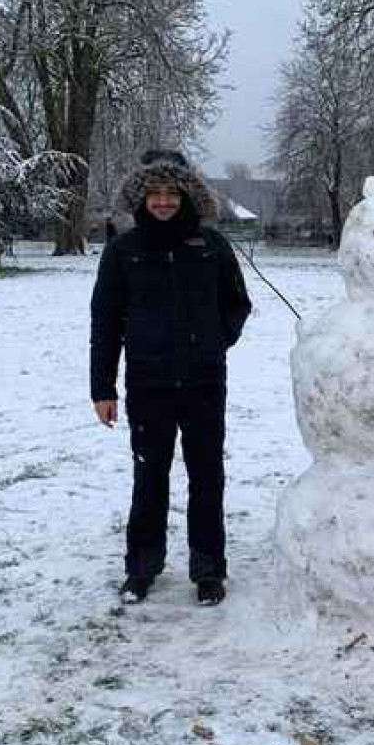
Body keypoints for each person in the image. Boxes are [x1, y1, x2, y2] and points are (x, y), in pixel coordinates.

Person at [90, 149, 252, 606]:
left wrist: (213, 342)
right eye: (154, 193)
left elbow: (237, 304)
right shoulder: (124, 250)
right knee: (150, 476)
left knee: (207, 476)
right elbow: (104, 321)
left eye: (171, 193)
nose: (162, 201)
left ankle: (208, 569)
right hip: (147, 383)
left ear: (187, 195)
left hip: (204, 383)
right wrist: (102, 388)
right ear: (142, 197)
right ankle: (142, 567)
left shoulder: (211, 246)